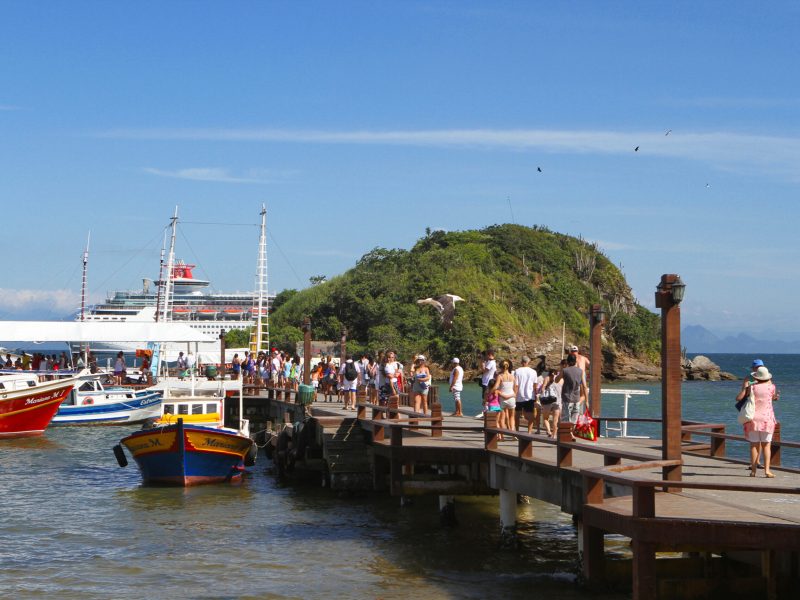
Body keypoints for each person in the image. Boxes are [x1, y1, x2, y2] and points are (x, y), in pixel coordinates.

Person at [736, 365, 779, 478]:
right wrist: (775, 398)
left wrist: (746, 386)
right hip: (767, 419)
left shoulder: (752, 387)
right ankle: (767, 471)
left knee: (754, 446)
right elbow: (772, 397)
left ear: (757, 377)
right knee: (766, 446)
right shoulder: (772, 387)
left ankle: (753, 471)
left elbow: (740, 398)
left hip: (753, 419)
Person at [556, 354, 587, 432]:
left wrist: (561, 371)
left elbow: (556, 380)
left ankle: (569, 435)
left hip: (567, 398)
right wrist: (586, 401)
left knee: (566, 418)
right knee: (574, 419)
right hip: (576, 399)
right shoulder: (581, 371)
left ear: (568, 361)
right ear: (575, 361)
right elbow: (585, 386)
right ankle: (571, 433)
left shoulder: (565, 370)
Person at [490, 360, 516, 433]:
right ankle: (513, 433)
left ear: (501, 367)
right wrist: (512, 395)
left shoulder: (500, 376)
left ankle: (502, 434)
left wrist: (490, 392)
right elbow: (515, 389)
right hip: (511, 398)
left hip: (502, 398)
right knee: (512, 417)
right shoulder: (512, 376)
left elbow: (495, 387)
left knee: (502, 418)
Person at [513, 356, 538, 433]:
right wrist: (535, 395)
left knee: (517, 414)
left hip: (519, 396)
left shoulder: (517, 371)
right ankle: (529, 431)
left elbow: (516, 385)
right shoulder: (534, 372)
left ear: (522, 362)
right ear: (528, 362)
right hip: (530, 396)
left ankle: (517, 430)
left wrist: (514, 395)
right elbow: (535, 385)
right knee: (531, 415)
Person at [538, 371, 562, 437]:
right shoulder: (561, 379)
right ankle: (554, 435)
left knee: (545, 418)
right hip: (557, 401)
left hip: (547, 401)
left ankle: (549, 431)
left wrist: (542, 395)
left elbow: (543, 388)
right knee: (555, 419)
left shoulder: (547, 378)